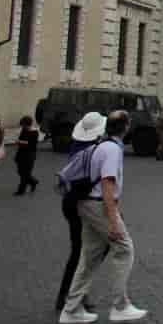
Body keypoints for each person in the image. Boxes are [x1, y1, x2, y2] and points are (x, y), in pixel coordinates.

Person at [60, 110, 147, 324]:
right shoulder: (112, 150)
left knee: (89, 256)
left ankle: (71, 309)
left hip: (85, 204)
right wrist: (114, 220)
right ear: (126, 128)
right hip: (99, 205)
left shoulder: (99, 146)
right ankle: (120, 305)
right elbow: (108, 185)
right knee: (124, 248)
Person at [56, 112, 108, 313]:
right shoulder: (92, 151)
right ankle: (73, 292)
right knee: (86, 250)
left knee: (81, 250)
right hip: (83, 204)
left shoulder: (77, 146)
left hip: (71, 203)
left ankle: (71, 293)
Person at [13, 115, 39, 195]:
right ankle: (33, 181)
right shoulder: (24, 130)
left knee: (25, 173)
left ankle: (21, 190)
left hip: (30, 154)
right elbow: (21, 139)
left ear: (28, 124)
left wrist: (19, 142)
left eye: (24, 125)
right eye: (22, 125)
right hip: (21, 153)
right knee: (20, 171)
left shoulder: (35, 132)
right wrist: (18, 142)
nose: (23, 127)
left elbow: (31, 144)